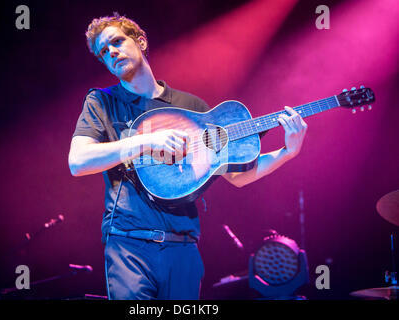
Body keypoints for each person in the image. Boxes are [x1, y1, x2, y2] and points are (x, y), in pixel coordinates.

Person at [68, 13, 307, 300]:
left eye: (117, 41)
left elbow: (237, 176)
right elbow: (78, 162)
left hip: (183, 248)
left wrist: (287, 152)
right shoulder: (102, 101)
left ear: (140, 41)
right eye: (104, 52)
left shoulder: (190, 107)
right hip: (129, 245)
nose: (112, 52)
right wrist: (146, 141)